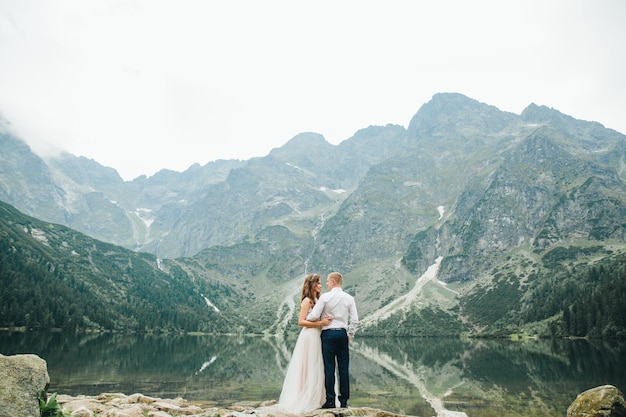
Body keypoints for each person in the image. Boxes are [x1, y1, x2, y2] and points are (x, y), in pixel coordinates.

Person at [277, 274, 333, 414]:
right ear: (312, 284)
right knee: (309, 365)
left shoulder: (319, 299)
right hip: (309, 336)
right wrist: (320, 323)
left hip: (319, 335)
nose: (321, 285)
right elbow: (301, 322)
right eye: (318, 283)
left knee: (318, 365)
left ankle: (318, 397)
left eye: (321, 283)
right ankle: (306, 397)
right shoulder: (307, 301)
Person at [307, 272, 359, 409]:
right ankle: (344, 402)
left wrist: (310, 316)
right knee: (343, 369)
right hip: (342, 334)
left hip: (328, 334)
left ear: (334, 282)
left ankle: (330, 400)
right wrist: (350, 335)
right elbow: (355, 320)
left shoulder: (325, 297)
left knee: (329, 368)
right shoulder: (349, 298)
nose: (326, 284)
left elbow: (313, 317)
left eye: (328, 282)